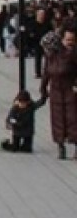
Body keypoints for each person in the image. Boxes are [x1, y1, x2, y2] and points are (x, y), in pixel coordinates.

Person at [41, 28, 77, 159]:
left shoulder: (72, 54)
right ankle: (60, 146)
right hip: (55, 90)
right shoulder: (50, 56)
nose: (70, 42)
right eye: (68, 40)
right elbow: (46, 73)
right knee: (57, 119)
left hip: (70, 89)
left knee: (73, 118)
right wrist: (43, 89)